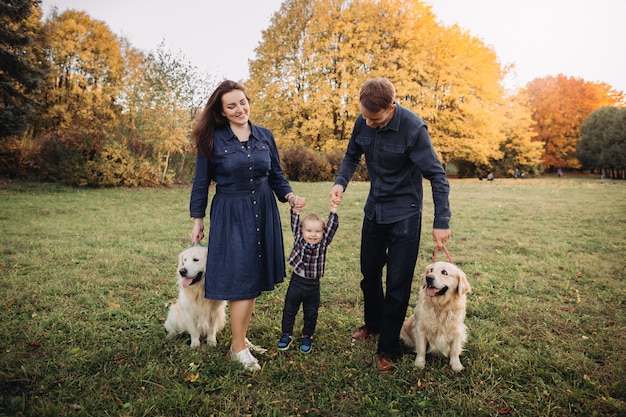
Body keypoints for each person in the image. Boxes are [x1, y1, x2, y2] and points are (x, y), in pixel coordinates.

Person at [329, 77, 451, 372]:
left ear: (391, 107)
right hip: (374, 212)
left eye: (375, 118)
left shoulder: (413, 129)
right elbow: (351, 156)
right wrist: (340, 182)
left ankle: (388, 347)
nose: (368, 123)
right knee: (369, 274)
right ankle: (372, 324)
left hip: (405, 216)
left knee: (397, 283)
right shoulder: (362, 121)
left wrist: (441, 220)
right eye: (365, 117)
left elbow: (437, 176)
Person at [189, 80, 305, 372]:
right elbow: (201, 183)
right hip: (231, 212)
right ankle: (237, 348)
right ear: (222, 111)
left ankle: (240, 337)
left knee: (252, 277)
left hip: (263, 210)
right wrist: (198, 219)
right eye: (232, 106)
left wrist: (289, 196)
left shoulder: (265, 136)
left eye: (243, 102)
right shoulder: (212, 139)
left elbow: (276, 175)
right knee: (241, 277)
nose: (240, 109)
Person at [277, 200, 339, 353]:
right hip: (296, 283)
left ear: (322, 233)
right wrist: (296, 212)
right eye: (309, 231)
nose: (313, 235)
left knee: (311, 313)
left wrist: (333, 209)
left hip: (313, 286)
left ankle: (307, 336)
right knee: (289, 310)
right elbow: (294, 223)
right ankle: (286, 334)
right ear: (302, 231)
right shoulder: (299, 239)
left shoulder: (323, 243)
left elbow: (331, 227)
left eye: (317, 231)